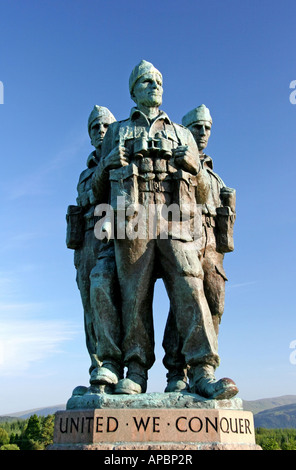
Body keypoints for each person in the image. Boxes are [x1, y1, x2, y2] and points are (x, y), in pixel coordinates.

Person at [91, 60, 238, 399]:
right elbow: (97, 192)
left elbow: (204, 195)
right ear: (133, 90)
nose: (153, 86)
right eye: (145, 81)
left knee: (191, 286)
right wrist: (110, 161)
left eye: (157, 81)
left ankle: (201, 370)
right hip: (132, 219)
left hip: (175, 218)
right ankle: (136, 371)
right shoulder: (117, 131)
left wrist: (195, 169)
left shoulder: (182, 133)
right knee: (134, 295)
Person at [163, 104, 237, 394]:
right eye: (197, 127)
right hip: (183, 237)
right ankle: (179, 370)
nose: (203, 132)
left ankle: (202, 371)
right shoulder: (172, 164)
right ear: (184, 132)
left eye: (207, 127)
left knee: (215, 303)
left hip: (211, 246)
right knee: (185, 301)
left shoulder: (216, 177)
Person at [66, 105, 120, 383]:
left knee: (120, 303)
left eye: (105, 126)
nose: (100, 131)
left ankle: (121, 367)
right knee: (90, 306)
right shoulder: (86, 173)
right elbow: (87, 197)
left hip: (120, 237)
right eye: (94, 127)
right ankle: (98, 368)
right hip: (88, 238)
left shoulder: (123, 158)